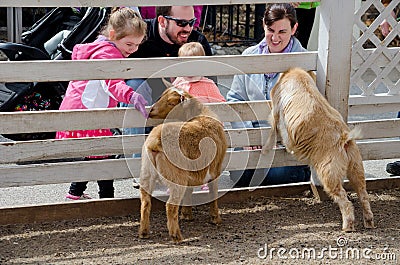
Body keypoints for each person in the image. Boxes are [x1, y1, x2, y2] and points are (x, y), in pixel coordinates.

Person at [56, 8, 149, 200]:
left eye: (138, 45)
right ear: (113, 35)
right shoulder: (108, 54)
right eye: (129, 44)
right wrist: (131, 95)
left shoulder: (99, 47)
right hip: (89, 111)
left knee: (97, 154)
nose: (133, 49)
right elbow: (112, 82)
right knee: (102, 154)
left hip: (83, 108)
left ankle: (77, 193)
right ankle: (106, 197)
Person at [226, 3, 311, 187]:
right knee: (239, 174)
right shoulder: (249, 55)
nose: (275, 38)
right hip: (253, 139)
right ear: (263, 24)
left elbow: (306, 113)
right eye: (270, 30)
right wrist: (249, 134)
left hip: (285, 144)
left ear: (294, 28)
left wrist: (278, 140)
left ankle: (295, 171)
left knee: (277, 174)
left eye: (282, 31)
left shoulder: (304, 60)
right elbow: (235, 98)